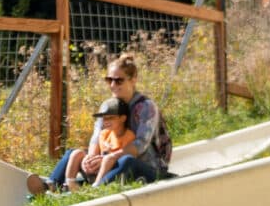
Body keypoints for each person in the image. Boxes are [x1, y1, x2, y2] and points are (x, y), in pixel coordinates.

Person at [27, 52, 168, 196]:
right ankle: (49, 186)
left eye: (119, 81)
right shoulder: (108, 106)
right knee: (73, 153)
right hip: (111, 160)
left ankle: (95, 191)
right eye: (109, 80)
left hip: (147, 166)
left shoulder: (146, 107)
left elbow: (141, 144)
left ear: (133, 80)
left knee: (127, 161)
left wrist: (111, 158)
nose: (113, 85)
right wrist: (92, 158)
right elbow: (97, 135)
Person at [63, 97, 132, 189]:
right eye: (104, 118)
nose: (106, 121)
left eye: (111, 118)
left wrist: (103, 160)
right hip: (97, 169)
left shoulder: (128, 136)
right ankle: (69, 184)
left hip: (112, 173)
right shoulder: (104, 134)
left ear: (122, 118)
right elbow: (98, 153)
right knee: (77, 153)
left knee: (108, 159)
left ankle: (96, 187)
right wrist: (89, 160)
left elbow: (121, 159)